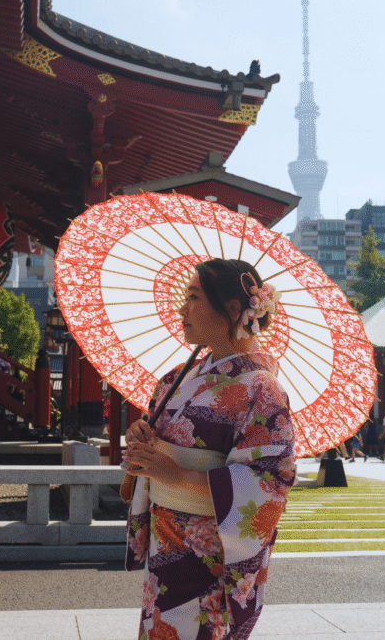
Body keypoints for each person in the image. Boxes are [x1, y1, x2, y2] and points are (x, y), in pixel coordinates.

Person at [122, 258, 295, 640]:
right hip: (164, 548)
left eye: (193, 296)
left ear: (234, 309)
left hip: (209, 556)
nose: (182, 308)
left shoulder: (262, 389)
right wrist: (142, 445)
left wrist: (177, 474)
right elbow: (147, 466)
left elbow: (268, 483)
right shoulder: (174, 380)